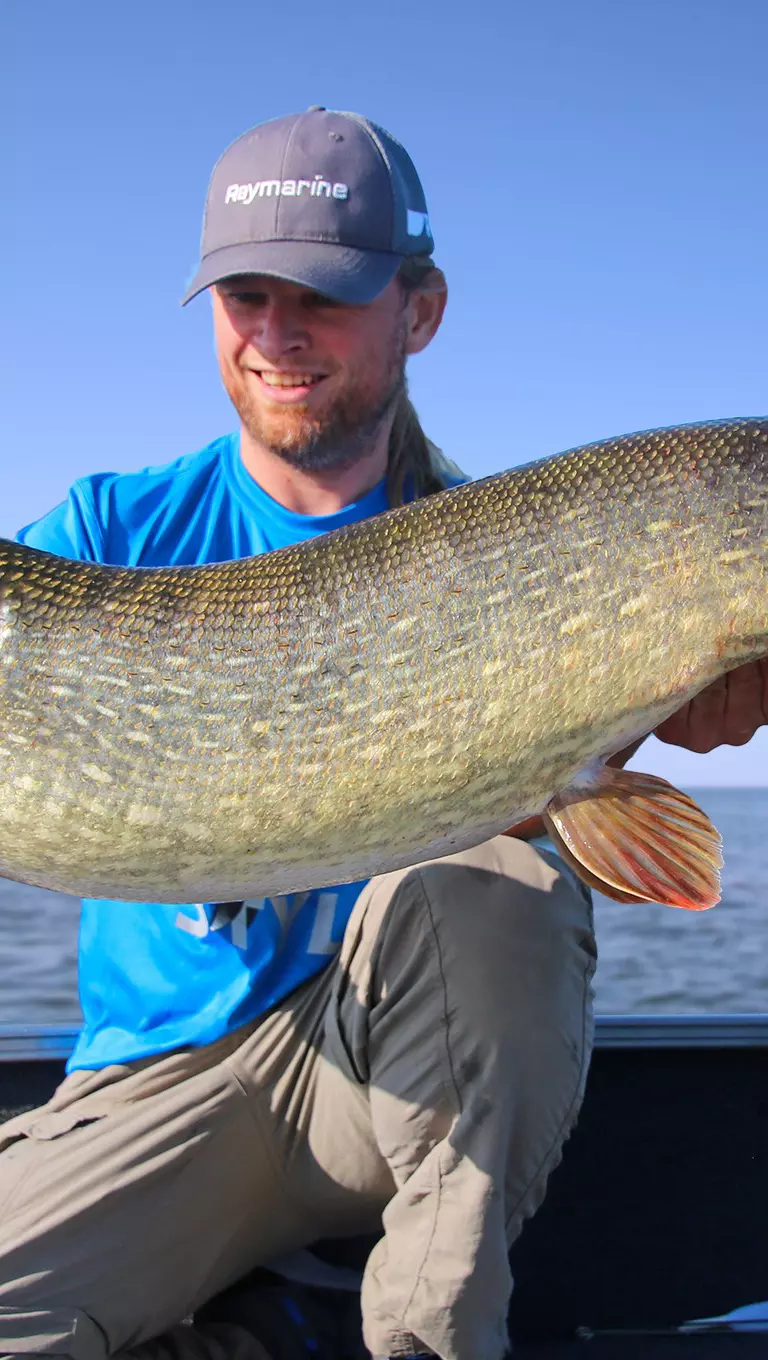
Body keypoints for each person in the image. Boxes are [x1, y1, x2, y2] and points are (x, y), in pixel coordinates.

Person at [0, 107, 764, 1360]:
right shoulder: (101, 537)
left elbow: (583, 852)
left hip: (386, 1075)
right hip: (159, 1083)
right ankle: (269, 1326)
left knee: (502, 889)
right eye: (246, 292)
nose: (278, 331)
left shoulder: (515, 555)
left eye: (328, 292)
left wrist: (695, 688)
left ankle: (420, 1338)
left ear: (420, 310)